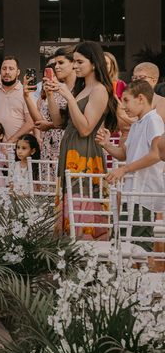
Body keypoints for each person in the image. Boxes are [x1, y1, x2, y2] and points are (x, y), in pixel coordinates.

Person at [46, 41, 118, 237]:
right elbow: (59, 122)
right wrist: (51, 95)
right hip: (69, 147)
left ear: (93, 63)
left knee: (82, 195)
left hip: (84, 150)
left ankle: (85, 243)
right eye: (74, 62)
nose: (75, 66)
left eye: (79, 62)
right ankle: (68, 242)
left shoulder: (100, 90)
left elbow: (86, 128)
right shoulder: (81, 88)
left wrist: (69, 97)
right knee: (70, 194)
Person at [96, 80, 165, 250]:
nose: (123, 105)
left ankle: (142, 276)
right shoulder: (137, 124)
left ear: (140, 98)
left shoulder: (153, 120)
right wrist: (106, 144)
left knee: (139, 244)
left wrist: (124, 169)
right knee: (123, 240)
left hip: (144, 191)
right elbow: (125, 154)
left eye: (126, 100)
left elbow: (156, 154)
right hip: (130, 190)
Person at [24, 48, 74, 163]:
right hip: (48, 143)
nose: (57, 67)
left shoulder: (68, 90)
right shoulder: (48, 94)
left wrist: (50, 125)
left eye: (60, 63)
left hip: (66, 141)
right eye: (55, 64)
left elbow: (67, 121)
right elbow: (38, 121)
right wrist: (26, 97)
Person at [0, 56, 33, 144]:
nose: (7, 72)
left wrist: (10, 142)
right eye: (4, 68)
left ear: (18, 72)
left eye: (11, 68)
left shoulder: (26, 93)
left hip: (18, 148)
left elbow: (30, 123)